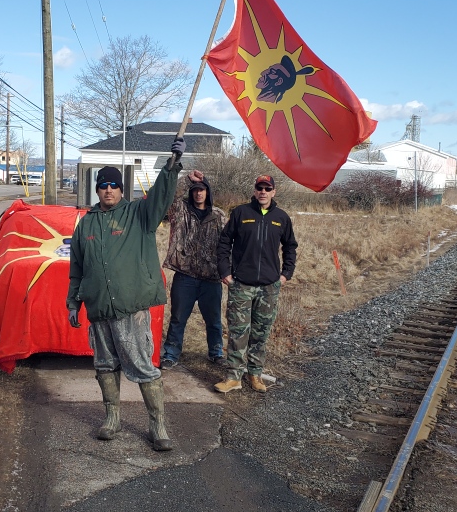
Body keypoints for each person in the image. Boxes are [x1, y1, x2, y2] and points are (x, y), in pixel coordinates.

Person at [66, 138, 185, 451]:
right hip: (99, 309)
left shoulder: (139, 214)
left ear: (121, 190)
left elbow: (160, 197)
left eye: (113, 186)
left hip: (130, 308)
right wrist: (73, 302)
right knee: (105, 365)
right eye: (103, 186)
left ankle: (157, 423)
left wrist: (171, 166)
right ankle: (112, 418)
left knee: (143, 365)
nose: (108, 190)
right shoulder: (86, 223)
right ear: (97, 190)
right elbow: (77, 266)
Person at [214, 174, 297, 394]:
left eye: (267, 188)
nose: (263, 192)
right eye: (259, 188)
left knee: (260, 333)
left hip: (269, 287)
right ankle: (233, 377)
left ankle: (255, 374)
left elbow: (290, 247)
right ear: (254, 190)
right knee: (238, 332)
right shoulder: (241, 213)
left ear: (273, 192)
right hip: (241, 284)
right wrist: (226, 272)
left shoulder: (281, 218)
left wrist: (285, 274)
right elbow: (224, 243)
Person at [160, 169, 227, 368]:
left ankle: (216, 352)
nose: (198, 193)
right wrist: (186, 179)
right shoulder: (180, 211)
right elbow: (170, 195)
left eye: (202, 189)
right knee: (178, 317)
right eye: (195, 190)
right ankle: (171, 354)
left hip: (211, 277)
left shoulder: (219, 216)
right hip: (185, 275)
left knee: (213, 319)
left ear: (208, 192)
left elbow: (228, 244)